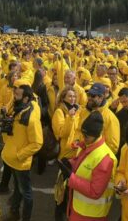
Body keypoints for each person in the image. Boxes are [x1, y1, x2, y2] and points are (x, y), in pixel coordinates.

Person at [1, 84, 43, 221]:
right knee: (17, 188)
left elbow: (37, 143)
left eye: (17, 96)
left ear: (25, 99)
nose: (14, 98)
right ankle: (14, 213)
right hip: (12, 159)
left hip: (20, 162)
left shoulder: (30, 118)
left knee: (26, 193)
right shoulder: (18, 111)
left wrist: (19, 155)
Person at [66, 112, 116, 220]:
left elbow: (95, 191)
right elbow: (82, 164)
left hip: (91, 215)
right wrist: (70, 163)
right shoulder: (86, 145)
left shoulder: (105, 159)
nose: (83, 138)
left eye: (86, 136)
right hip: (78, 209)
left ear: (97, 135)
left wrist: (71, 178)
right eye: (83, 134)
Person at [52, 87, 82, 220]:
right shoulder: (59, 112)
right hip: (65, 155)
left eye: (74, 96)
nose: (72, 99)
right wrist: (70, 117)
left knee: (72, 189)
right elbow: (61, 133)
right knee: (62, 189)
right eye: (69, 96)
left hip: (77, 154)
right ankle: (58, 215)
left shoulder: (78, 111)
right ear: (63, 97)